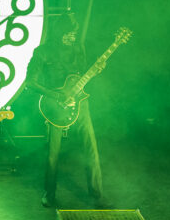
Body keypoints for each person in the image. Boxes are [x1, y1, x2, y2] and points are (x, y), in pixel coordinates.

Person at [26, 11, 109, 209]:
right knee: (53, 152)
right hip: (55, 107)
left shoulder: (78, 48)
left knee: (91, 147)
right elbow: (30, 82)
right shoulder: (42, 52)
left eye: (74, 33)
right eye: (68, 33)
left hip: (80, 103)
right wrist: (56, 96)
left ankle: (97, 194)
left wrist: (96, 71)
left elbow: (81, 76)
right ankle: (49, 193)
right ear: (58, 32)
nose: (72, 37)